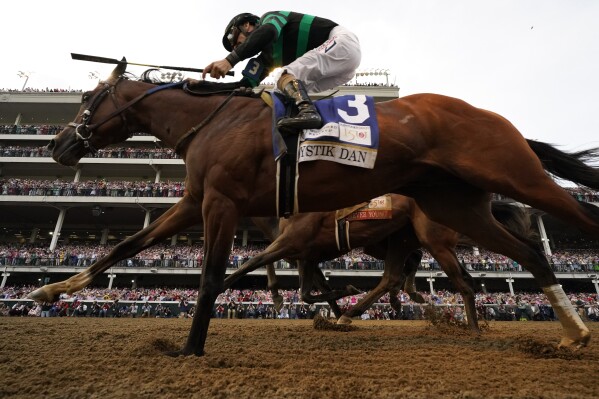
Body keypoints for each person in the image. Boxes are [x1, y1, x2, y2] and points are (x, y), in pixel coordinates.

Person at [203, 11, 361, 134]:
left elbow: (267, 32)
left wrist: (230, 60)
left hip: (342, 42)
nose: (236, 47)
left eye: (235, 40)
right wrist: (204, 86)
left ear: (247, 25)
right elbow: (244, 85)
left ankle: (309, 113)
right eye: (234, 48)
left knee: (284, 74)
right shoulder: (268, 57)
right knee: (279, 92)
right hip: (343, 71)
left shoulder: (269, 19)